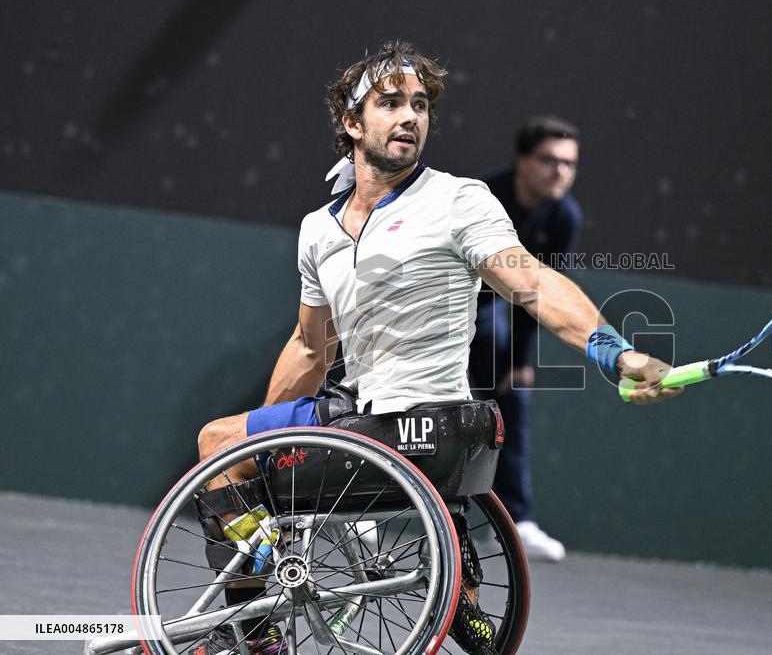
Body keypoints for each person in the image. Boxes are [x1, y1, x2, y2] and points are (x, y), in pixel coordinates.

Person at [194, 40, 681, 655]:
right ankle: (462, 605)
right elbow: (310, 349)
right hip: (389, 430)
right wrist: (269, 439)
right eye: (390, 102)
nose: (410, 117)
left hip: (416, 427)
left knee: (217, 444)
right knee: (234, 441)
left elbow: (529, 281)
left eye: (420, 104)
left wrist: (618, 354)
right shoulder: (319, 229)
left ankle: (256, 637)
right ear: (351, 122)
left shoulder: (459, 200)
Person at [469, 116, 582, 562]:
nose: (560, 172)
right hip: (436, 306)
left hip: (493, 319)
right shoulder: (483, 198)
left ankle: (516, 522)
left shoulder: (564, 217)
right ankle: (360, 504)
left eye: (569, 164)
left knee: (513, 397)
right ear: (523, 162)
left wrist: (519, 361)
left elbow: (541, 290)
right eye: (549, 161)